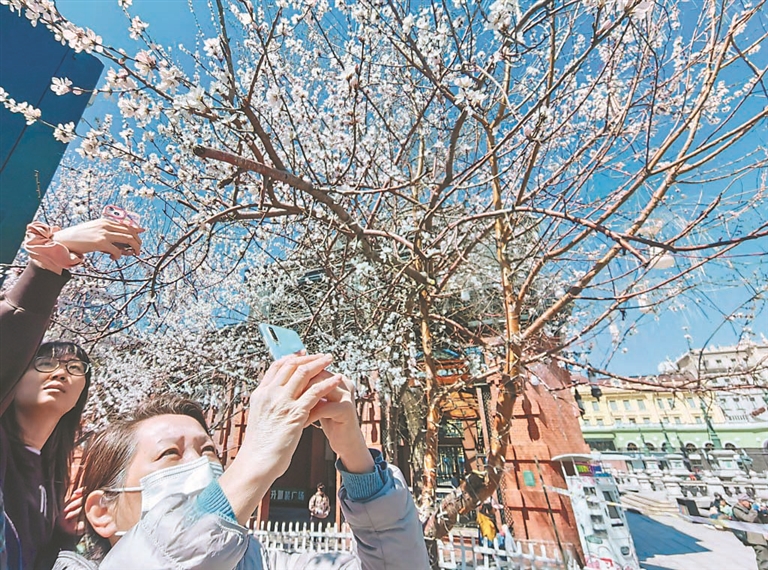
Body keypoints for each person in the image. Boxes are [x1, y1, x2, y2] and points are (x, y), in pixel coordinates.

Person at [54, 353, 429, 569]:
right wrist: (257, 458)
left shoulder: (261, 562)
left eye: (208, 451)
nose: (202, 466)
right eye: (170, 453)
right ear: (102, 511)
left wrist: (356, 457)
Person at [1, 218, 143, 569]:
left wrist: (59, 537)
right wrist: (51, 260)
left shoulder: (52, 478)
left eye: (75, 367)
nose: (61, 372)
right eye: (46, 362)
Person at [732, 494, 768, 570]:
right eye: (748, 501)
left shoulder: (749, 508)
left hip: (762, 533)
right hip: (753, 537)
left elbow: (762, 519)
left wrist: (763, 511)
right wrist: (754, 510)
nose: (749, 503)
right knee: (762, 552)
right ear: (741, 501)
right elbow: (749, 519)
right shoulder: (737, 510)